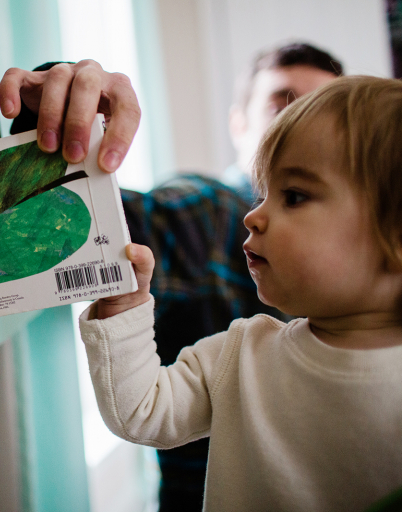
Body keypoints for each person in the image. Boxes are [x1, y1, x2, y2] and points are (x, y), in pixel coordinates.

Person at [79, 75, 402, 510]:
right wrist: (124, 307)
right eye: (263, 194)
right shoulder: (239, 355)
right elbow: (141, 410)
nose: (254, 216)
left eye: (294, 196)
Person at [225, 42, 343, 203]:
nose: (305, 125)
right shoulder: (214, 207)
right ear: (238, 125)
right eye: (279, 109)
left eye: (323, 112)